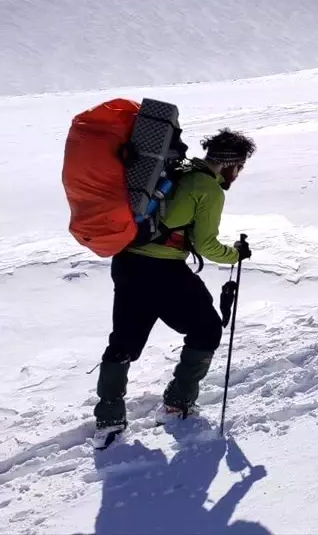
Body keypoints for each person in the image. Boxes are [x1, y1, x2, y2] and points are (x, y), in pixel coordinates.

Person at [93, 129, 256, 440]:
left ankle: (109, 419)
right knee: (206, 329)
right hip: (164, 269)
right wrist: (235, 254)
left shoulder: (177, 168)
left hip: (127, 262)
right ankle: (177, 404)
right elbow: (206, 244)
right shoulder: (208, 188)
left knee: (124, 340)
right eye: (240, 167)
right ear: (230, 164)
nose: (238, 174)